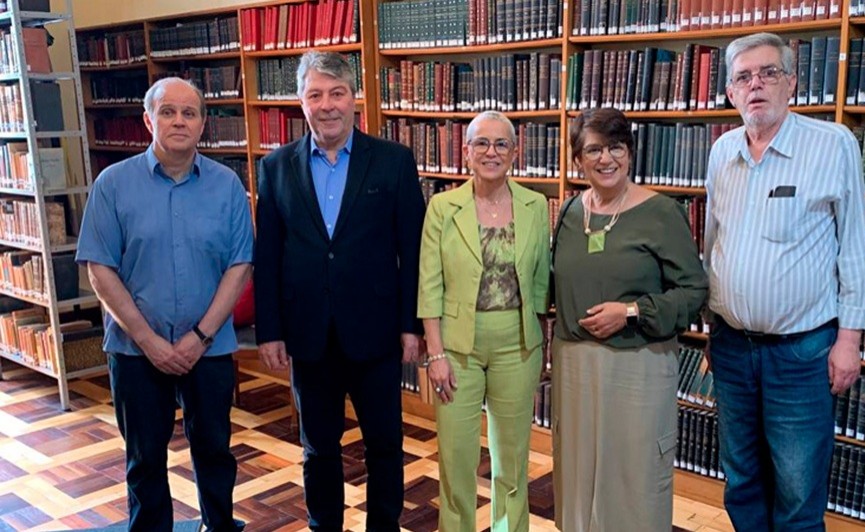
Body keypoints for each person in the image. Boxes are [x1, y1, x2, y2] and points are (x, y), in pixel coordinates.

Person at [703, 32, 865, 531]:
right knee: (741, 480)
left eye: (768, 73)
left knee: (798, 490)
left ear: (792, 84)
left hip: (803, 352)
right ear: (731, 92)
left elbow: (854, 248)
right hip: (733, 347)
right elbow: (713, 243)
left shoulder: (831, 144)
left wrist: (850, 339)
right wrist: (710, 324)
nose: (755, 84)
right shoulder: (722, 153)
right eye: (743, 77)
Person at [253, 51, 425, 532]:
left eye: (336, 93)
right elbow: (267, 256)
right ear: (300, 102)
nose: (326, 105)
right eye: (315, 95)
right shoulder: (275, 168)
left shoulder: (393, 161)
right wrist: (270, 331)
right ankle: (322, 525)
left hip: (376, 335)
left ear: (355, 99)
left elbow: (411, 251)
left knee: (385, 446)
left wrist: (411, 325)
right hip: (308, 337)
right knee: (318, 449)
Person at [76, 77, 253, 532]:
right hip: (136, 352)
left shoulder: (226, 185)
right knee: (144, 459)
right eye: (168, 111)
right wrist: (149, 340)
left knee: (215, 450)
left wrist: (199, 337)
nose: (179, 121)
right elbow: (100, 269)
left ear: (202, 124)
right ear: (147, 119)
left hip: (209, 349)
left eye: (189, 113)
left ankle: (219, 526)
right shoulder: (112, 184)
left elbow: (239, 266)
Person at [551, 107, 707, 532]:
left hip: (638, 361)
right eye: (593, 149)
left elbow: (694, 292)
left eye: (616, 147)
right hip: (574, 365)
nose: (606, 159)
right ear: (577, 159)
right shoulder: (568, 212)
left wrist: (632, 311)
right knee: (577, 475)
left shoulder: (661, 213)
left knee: (633, 476)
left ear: (631, 153)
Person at [417, 111, 550, 532]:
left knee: (512, 457)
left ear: (516, 151)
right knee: (456, 458)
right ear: (466, 151)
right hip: (457, 349)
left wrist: (541, 345)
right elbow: (429, 285)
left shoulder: (535, 205)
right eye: (481, 144)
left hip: (518, 345)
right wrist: (434, 353)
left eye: (501, 144)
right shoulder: (442, 207)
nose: (491, 152)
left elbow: (541, 284)